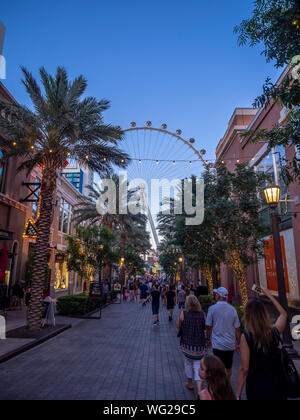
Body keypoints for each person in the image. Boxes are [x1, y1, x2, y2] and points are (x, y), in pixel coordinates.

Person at [236, 287, 288, 401]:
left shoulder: (247, 337)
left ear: (248, 316)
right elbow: (283, 314)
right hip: (277, 388)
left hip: (257, 389)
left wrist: (237, 394)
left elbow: (244, 369)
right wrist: (269, 295)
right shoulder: (274, 332)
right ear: (264, 314)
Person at [206, 287, 241, 380]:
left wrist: (208, 339)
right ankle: (226, 383)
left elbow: (208, 326)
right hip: (230, 344)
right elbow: (237, 328)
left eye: (216, 294)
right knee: (229, 367)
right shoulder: (232, 309)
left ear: (219, 296)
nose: (215, 295)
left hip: (217, 343)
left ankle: (220, 385)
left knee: (217, 366)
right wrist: (239, 342)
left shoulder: (212, 309)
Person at [177, 295, 208, 399]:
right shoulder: (202, 314)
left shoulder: (183, 313)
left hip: (187, 344)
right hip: (199, 345)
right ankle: (199, 390)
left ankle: (190, 383)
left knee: (188, 363)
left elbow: (178, 326)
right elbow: (205, 327)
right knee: (198, 366)